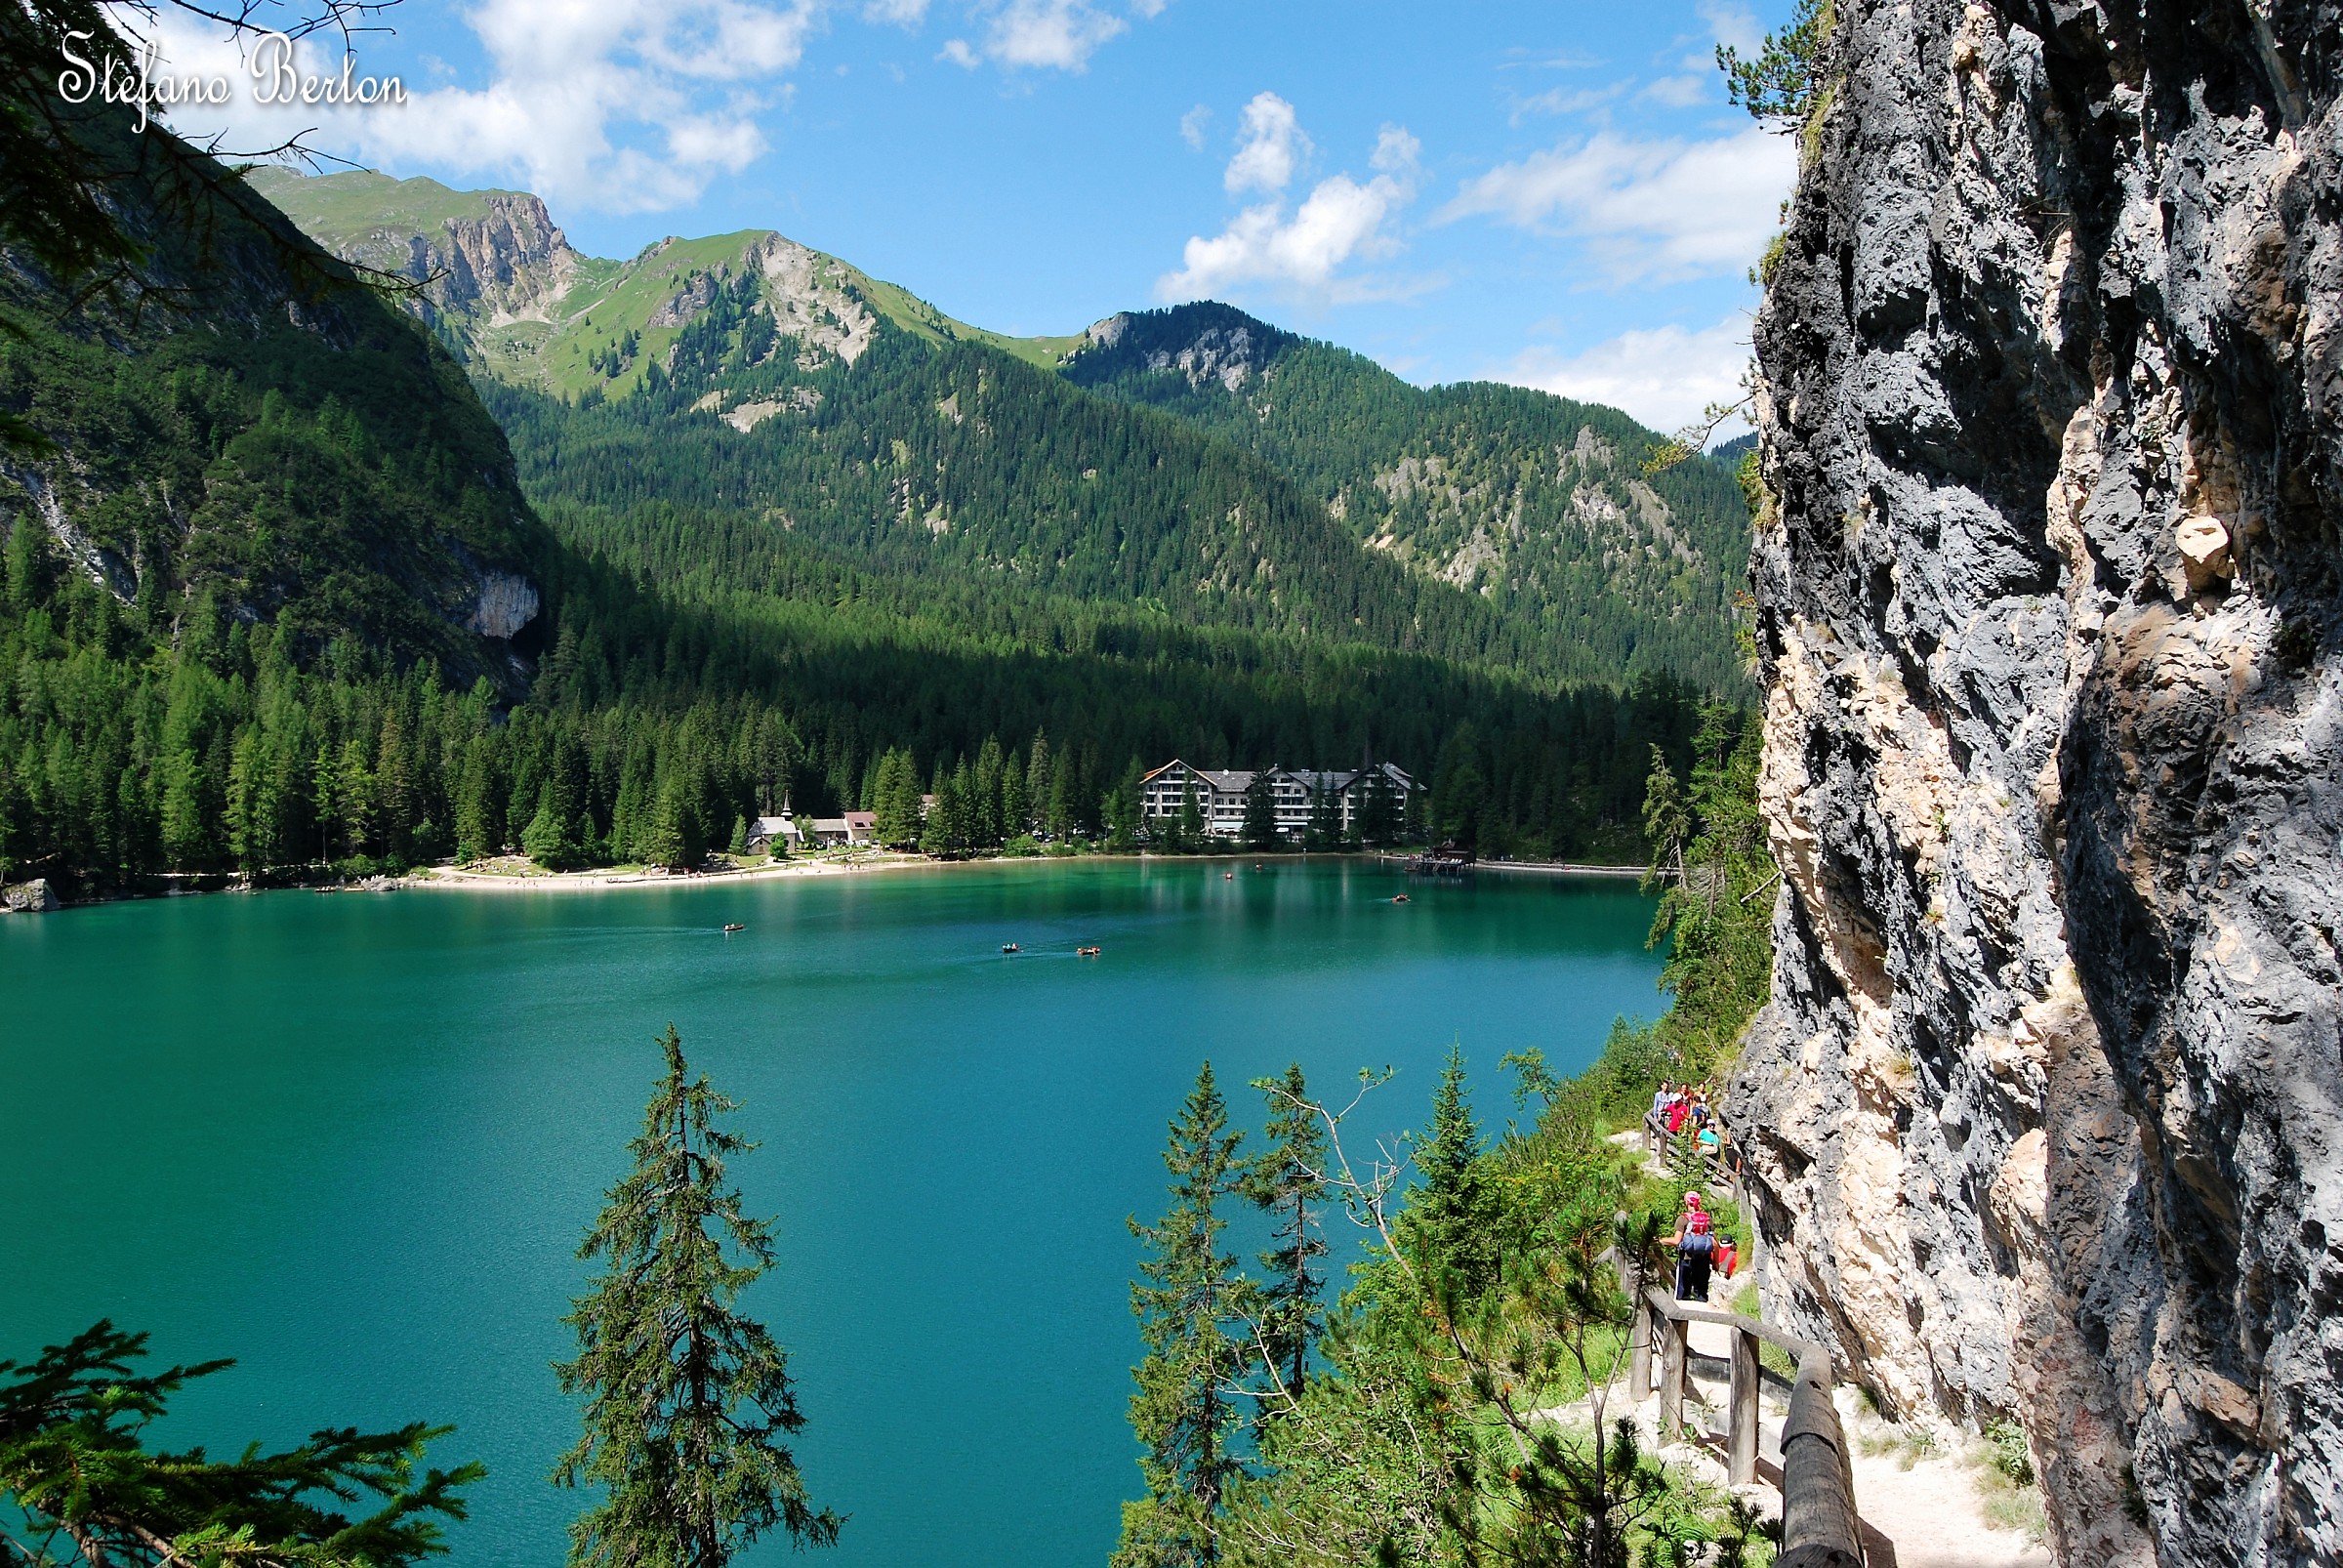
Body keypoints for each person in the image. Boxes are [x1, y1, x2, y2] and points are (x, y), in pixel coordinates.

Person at [1671, 1192, 1715, 1301]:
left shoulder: (1683, 1219)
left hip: (1686, 1259)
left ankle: (1681, 1317)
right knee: (1701, 1294)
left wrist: (1660, 1240)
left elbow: (1677, 1240)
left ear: (1686, 1202)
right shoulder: (1707, 1219)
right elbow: (1714, 1243)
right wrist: (1716, 1263)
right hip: (1704, 1260)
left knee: (1682, 1293)